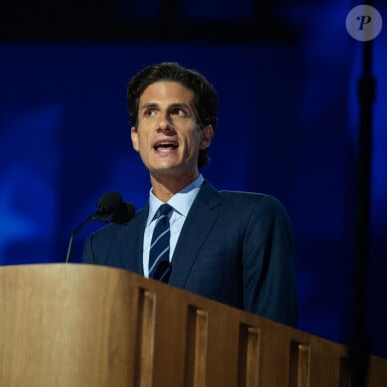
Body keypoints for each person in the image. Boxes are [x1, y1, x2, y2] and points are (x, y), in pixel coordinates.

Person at [82, 61, 298, 327]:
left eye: (178, 112)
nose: (163, 124)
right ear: (135, 138)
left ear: (205, 135)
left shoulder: (252, 218)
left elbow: (275, 338)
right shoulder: (101, 247)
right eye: (150, 112)